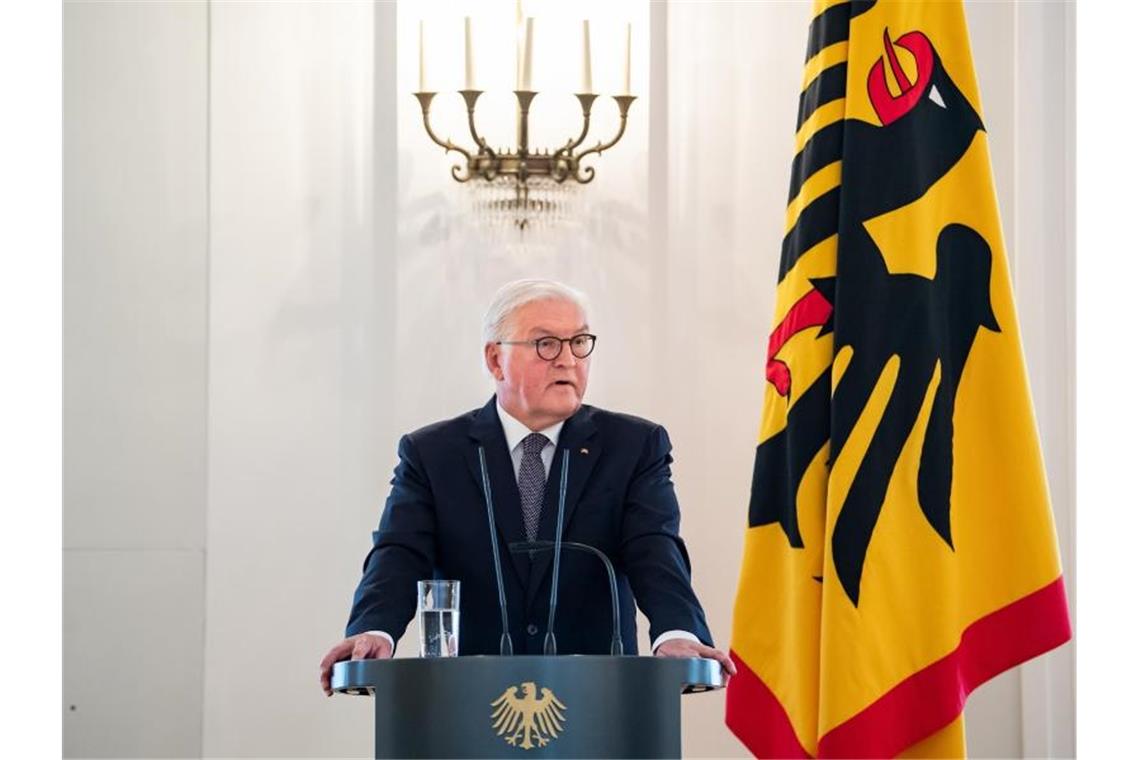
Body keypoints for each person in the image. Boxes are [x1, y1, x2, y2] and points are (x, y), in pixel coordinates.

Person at [320, 279, 734, 695]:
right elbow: (399, 554)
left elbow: (655, 549)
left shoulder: (633, 447)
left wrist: (676, 632)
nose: (568, 360)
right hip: (467, 701)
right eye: (547, 344)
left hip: (599, 702)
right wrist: (373, 629)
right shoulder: (432, 453)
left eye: (579, 342)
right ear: (495, 359)